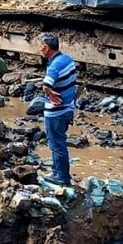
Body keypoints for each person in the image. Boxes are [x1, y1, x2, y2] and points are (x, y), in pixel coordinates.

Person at [36, 32, 78, 191]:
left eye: (40, 46)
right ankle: (57, 172)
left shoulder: (53, 66)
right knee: (59, 143)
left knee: (56, 145)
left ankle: (61, 177)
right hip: (68, 109)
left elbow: (46, 85)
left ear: (46, 48)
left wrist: (49, 93)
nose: (39, 49)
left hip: (56, 112)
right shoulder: (67, 59)